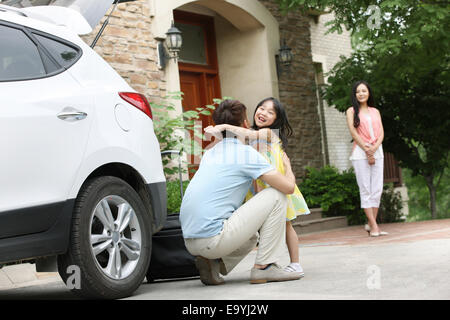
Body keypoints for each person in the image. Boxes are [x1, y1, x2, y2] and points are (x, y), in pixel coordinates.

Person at [180, 99, 304, 285]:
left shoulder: (210, 152)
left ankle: (213, 264)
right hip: (212, 239)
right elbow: (288, 187)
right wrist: (288, 167)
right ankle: (265, 267)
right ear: (245, 123)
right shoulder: (246, 153)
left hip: (189, 240)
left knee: (251, 236)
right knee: (277, 194)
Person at [346, 80, 388, 237]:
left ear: (368, 93)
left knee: (377, 190)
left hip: (377, 151)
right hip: (360, 153)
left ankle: (371, 224)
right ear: (355, 95)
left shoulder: (375, 111)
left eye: (364, 91)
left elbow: (382, 132)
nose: (361, 94)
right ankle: (374, 226)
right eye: (358, 91)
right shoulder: (351, 111)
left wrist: (374, 148)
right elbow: (353, 132)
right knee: (365, 189)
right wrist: (366, 149)